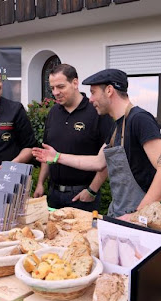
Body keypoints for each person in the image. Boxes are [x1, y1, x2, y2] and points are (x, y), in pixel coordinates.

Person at [33, 68, 161, 220]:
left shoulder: (140, 119)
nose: (91, 99)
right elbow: (98, 162)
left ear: (109, 90)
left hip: (136, 221)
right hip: (120, 213)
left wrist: (138, 215)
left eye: (93, 92)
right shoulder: (117, 126)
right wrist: (57, 157)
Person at [33, 63, 110, 212]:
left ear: (75, 83)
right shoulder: (53, 112)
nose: (55, 92)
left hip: (82, 196)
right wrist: (40, 183)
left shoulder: (96, 112)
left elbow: (108, 157)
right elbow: (47, 153)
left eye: (61, 87)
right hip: (54, 194)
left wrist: (92, 190)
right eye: (52, 88)